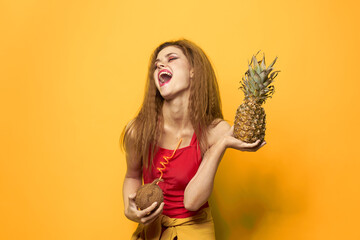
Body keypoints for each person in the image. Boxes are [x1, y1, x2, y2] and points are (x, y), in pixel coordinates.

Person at [120, 39, 266, 240]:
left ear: (193, 71)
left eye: (171, 58)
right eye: (157, 65)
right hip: (151, 232)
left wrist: (220, 145)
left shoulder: (216, 132)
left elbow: (191, 202)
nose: (161, 65)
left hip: (195, 232)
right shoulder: (138, 130)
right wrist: (130, 210)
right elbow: (132, 176)